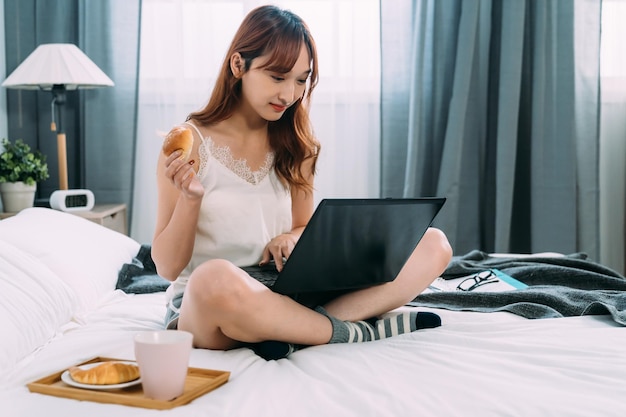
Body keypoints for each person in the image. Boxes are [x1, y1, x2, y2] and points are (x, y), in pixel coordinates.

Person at [152, 5, 453, 359]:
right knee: (212, 277)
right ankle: (352, 330)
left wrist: (290, 237)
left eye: (301, 79)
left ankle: (299, 331)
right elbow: (167, 267)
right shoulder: (188, 144)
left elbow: (302, 226)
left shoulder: (297, 145)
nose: (289, 94)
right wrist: (190, 200)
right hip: (211, 306)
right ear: (239, 65)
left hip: (283, 293)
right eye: (277, 77)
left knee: (434, 244)